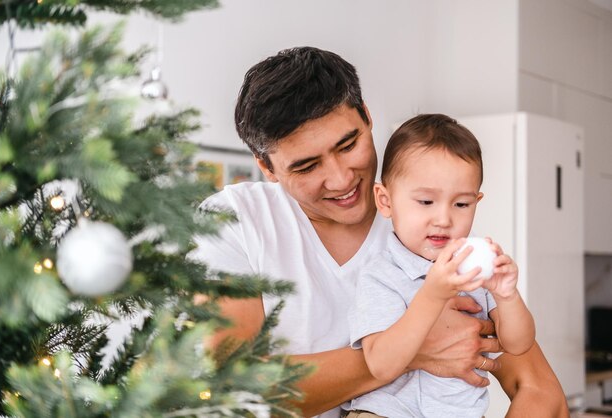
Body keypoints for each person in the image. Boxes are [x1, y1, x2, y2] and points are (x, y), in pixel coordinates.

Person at [194, 46, 568, 418]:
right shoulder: (235, 222)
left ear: (367, 117)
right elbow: (230, 388)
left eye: (348, 144)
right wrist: (415, 349)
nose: (341, 179)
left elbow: (540, 391)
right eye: (307, 166)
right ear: (267, 167)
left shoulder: (424, 232)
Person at [345, 114, 535, 418]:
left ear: (477, 201)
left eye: (461, 204)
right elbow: (381, 365)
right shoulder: (381, 274)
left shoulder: (475, 272)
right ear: (385, 200)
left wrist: (507, 296)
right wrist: (432, 294)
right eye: (425, 202)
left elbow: (518, 344)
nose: (444, 219)